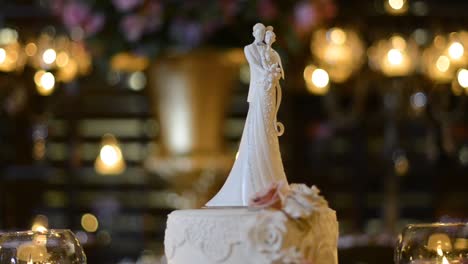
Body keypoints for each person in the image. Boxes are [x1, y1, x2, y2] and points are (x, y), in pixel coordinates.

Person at [205, 24, 288, 207]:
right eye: (258, 33)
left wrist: (273, 76)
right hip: (260, 89)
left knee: (268, 128)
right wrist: (267, 75)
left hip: (269, 91)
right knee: (257, 125)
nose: (261, 36)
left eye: (263, 33)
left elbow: (279, 69)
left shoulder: (271, 52)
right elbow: (256, 68)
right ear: (253, 33)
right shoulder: (249, 49)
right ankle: (253, 178)